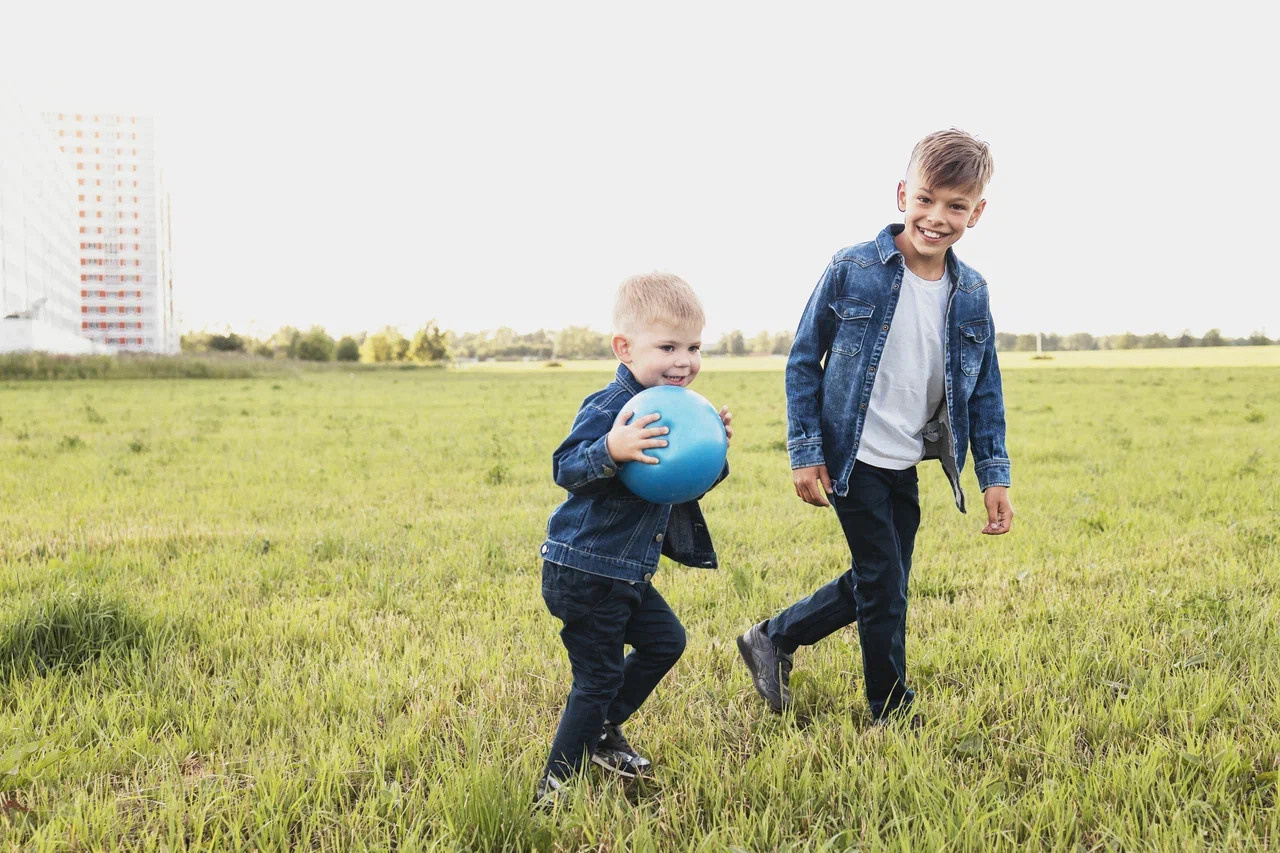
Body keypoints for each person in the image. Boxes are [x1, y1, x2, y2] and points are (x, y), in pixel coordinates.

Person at [736, 128, 1013, 724]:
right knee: (885, 586)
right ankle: (890, 710)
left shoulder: (973, 293)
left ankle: (774, 637)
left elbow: (985, 388)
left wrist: (994, 475)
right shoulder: (852, 268)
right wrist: (805, 451)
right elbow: (803, 359)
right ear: (901, 194)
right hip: (850, 457)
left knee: (880, 579)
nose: (937, 218)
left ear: (978, 212)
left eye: (956, 206)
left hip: (904, 462)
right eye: (926, 199)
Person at [536, 273, 733, 806]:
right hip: (584, 570)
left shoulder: (674, 407)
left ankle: (601, 732)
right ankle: (554, 786)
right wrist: (611, 447)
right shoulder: (613, 407)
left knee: (666, 642)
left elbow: (681, 483)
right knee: (596, 679)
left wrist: (713, 451)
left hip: (623, 571)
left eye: (693, 347)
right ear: (624, 348)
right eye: (667, 346)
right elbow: (565, 467)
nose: (684, 361)